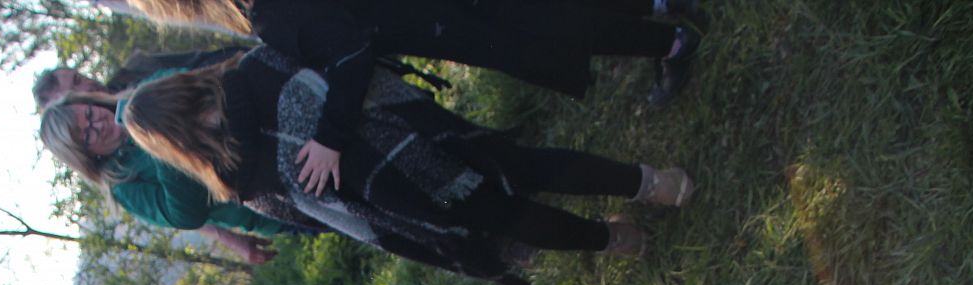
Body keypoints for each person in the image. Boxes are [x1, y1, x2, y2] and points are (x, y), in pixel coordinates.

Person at [113, 49, 692, 285]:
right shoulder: (257, 67)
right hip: (426, 137)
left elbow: (329, 218)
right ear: (178, 84)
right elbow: (347, 72)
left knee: (510, 216)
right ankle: (657, 184)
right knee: (530, 166)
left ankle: (617, 239)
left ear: (173, 146)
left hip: (412, 201)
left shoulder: (244, 182)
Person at [125, 0, 703, 131]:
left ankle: (671, 43)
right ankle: (659, 7)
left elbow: (349, 52)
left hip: (429, 19)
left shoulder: (270, 15)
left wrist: (329, 135)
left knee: (543, 30)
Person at [38, 79, 297, 265]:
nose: (98, 124)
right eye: (87, 135)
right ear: (85, 154)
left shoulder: (139, 96)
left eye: (89, 114)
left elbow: (195, 80)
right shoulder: (124, 185)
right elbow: (186, 216)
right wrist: (156, 140)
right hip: (272, 200)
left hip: (269, 124)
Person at [32, 49, 245, 110]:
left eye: (78, 78)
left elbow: (202, 60)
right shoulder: (118, 151)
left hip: (239, 85)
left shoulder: (136, 66)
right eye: (74, 93)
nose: (87, 86)